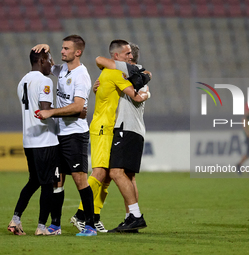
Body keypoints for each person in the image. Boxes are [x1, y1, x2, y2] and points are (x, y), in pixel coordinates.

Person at [70, 40, 150, 233]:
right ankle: (87, 215)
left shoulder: (125, 73)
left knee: (109, 174)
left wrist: (143, 87)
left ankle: (95, 215)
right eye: (126, 54)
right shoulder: (118, 74)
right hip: (111, 127)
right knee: (106, 174)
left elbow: (134, 92)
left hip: (120, 128)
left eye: (130, 54)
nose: (129, 56)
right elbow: (136, 93)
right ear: (119, 58)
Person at [32, 35, 96, 236]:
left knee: (80, 180)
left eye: (66, 49)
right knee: (56, 180)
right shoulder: (63, 70)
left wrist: (51, 112)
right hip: (59, 134)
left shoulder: (81, 75)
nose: (62, 51)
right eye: (61, 48)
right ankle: (55, 225)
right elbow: (48, 66)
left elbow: (78, 106)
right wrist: (47, 49)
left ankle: (90, 226)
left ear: (78, 52)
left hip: (75, 135)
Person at [8, 50, 59, 236]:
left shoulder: (22, 81)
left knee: (34, 180)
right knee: (48, 184)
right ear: (42, 60)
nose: (51, 65)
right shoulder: (45, 81)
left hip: (28, 140)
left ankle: (16, 219)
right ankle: (42, 227)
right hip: (44, 139)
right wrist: (68, 111)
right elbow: (45, 109)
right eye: (49, 61)